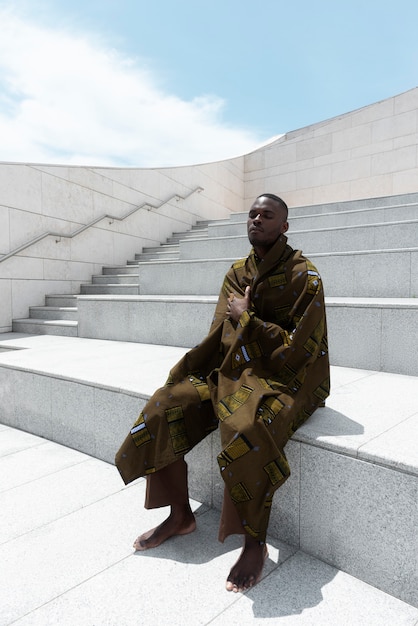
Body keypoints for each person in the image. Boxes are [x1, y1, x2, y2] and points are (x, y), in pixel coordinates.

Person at [115, 193, 330, 592]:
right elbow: (222, 335)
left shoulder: (306, 276)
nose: (256, 220)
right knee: (164, 404)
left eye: (267, 216)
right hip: (234, 366)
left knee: (244, 423)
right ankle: (181, 515)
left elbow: (296, 352)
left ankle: (254, 541)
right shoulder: (236, 272)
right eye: (252, 214)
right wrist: (224, 348)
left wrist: (246, 317)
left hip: (289, 378)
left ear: (284, 226)